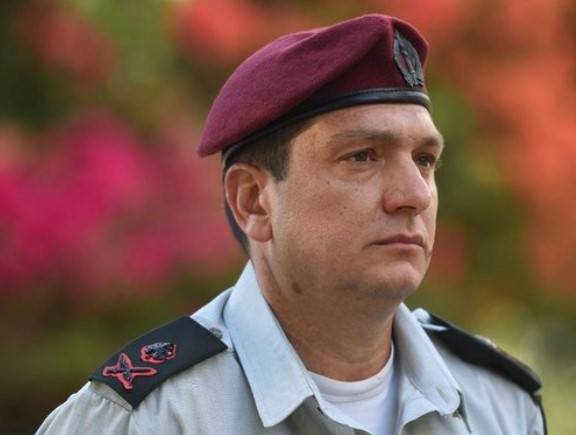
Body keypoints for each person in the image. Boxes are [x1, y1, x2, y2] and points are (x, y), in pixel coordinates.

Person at [37, 14, 546, 434]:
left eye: (425, 160)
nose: (414, 195)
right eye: (362, 156)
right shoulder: (147, 420)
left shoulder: (500, 406)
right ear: (254, 202)